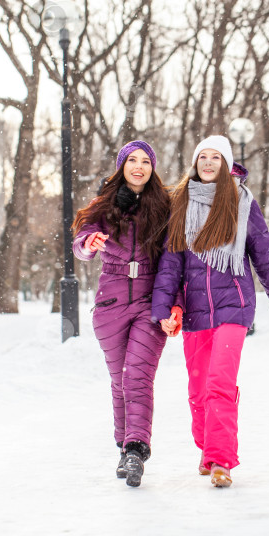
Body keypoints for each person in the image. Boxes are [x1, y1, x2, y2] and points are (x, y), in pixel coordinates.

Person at [151, 135, 269, 488]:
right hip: (195, 311)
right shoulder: (180, 205)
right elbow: (170, 265)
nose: (208, 162)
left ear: (226, 163)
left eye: (216, 157)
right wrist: (162, 308)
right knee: (198, 390)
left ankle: (221, 461)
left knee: (219, 383)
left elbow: (264, 257)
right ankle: (208, 449)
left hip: (234, 306)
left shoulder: (242, 203)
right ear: (195, 163)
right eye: (203, 156)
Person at [72, 140, 171, 487]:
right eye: (133, 160)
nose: (139, 166)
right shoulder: (104, 205)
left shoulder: (164, 206)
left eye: (146, 161)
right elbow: (82, 239)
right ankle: (122, 446)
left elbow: (174, 260)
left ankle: (136, 449)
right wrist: (89, 244)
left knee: (137, 375)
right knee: (119, 380)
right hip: (110, 303)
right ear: (122, 166)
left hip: (149, 301)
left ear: (152, 168)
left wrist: (173, 303)